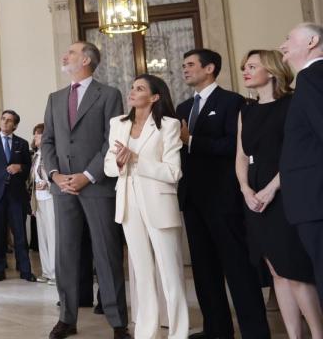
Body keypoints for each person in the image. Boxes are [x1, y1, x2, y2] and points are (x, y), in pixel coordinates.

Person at [176, 48, 269, 339]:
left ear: (210, 68)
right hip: (192, 199)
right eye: (184, 66)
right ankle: (217, 331)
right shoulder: (181, 109)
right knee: (204, 271)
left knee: (238, 268)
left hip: (224, 198)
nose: (185, 69)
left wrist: (192, 140)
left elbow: (234, 147)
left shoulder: (232, 102)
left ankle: (255, 331)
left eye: (191, 64)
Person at [41, 41, 129, 339]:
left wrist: (88, 175)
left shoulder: (109, 95)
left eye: (72, 52)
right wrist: (55, 175)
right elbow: (48, 141)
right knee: (65, 254)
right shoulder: (55, 98)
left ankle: (118, 322)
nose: (64, 55)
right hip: (62, 187)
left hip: (97, 186)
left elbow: (111, 140)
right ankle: (67, 317)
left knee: (107, 252)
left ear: (87, 60)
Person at [238, 49, 323, 338]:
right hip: (255, 196)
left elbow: (297, 153)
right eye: (244, 67)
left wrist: (272, 188)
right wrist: (245, 189)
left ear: (272, 71)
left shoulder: (292, 103)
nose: (245, 71)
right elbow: (240, 156)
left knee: (295, 270)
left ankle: (317, 333)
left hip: (285, 192)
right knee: (276, 272)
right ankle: (293, 335)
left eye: (252, 66)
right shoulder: (245, 109)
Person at [104, 74, 188, 339]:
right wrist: (119, 162)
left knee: (171, 274)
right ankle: (145, 332)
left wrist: (137, 159)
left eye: (139, 88)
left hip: (159, 204)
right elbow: (108, 166)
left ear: (154, 97)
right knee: (141, 273)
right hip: (128, 203)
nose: (132, 91)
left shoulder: (169, 126)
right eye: (131, 87)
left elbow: (174, 172)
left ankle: (178, 333)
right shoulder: (117, 123)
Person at [280, 23, 323, 307]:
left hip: (316, 197)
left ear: (312, 41)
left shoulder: (311, 77)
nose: (282, 45)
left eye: (288, 38)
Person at [0, 110, 36, 282]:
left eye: (9, 120)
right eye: (3, 119)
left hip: (16, 195)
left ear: (15, 125)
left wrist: (20, 168)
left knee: (20, 234)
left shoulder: (22, 143)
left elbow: (29, 168)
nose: (5, 122)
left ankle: (25, 270)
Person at [31, 123, 56, 284]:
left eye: (38, 134)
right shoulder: (36, 155)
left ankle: (55, 272)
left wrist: (48, 184)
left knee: (53, 235)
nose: (35, 137)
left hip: (51, 198)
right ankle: (46, 271)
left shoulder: (52, 154)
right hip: (39, 199)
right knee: (43, 236)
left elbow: (57, 176)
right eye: (34, 134)